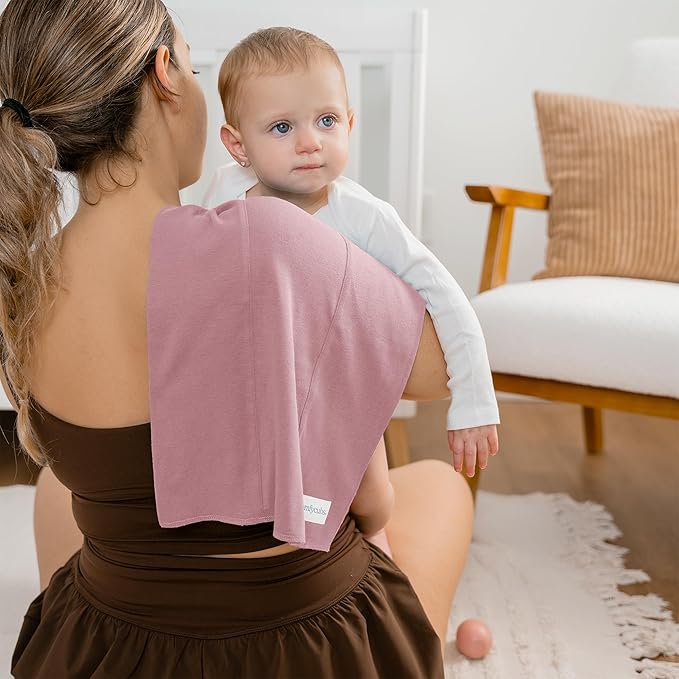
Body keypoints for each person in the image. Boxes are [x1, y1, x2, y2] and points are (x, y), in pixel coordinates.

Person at [0, 1, 473, 677]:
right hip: (297, 645)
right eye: (194, 70)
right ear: (165, 74)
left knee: (57, 490)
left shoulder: (25, 276)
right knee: (438, 486)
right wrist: (341, 263)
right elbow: (438, 370)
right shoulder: (272, 242)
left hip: (119, 637)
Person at [204, 27, 501, 484]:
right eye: (282, 127)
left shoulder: (364, 216)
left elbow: (443, 293)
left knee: (371, 494)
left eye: (326, 121)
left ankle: (370, 521)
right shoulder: (225, 193)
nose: (310, 142)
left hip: (339, 400)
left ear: (349, 123)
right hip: (254, 393)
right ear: (238, 144)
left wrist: (474, 401)